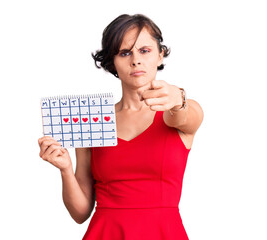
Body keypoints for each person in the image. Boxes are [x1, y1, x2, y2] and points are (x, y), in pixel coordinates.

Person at [38, 13, 203, 239]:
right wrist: (65, 168)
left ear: (160, 55)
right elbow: (80, 213)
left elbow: (187, 116)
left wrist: (179, 98)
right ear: (112, 62)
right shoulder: (93, 119)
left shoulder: (179, 109)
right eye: (124, 53)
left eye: (144, 50)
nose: (135, 60)